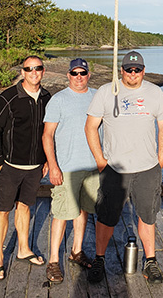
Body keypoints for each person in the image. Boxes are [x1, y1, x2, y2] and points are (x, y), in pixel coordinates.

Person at [84, 50, 163, 284]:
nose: (133, 73)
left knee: (147, 216)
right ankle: (99, 259)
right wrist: (101, 160)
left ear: (143, 70)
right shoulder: (105, 92)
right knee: (106, 217)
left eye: (137, 69)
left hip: (147, 168)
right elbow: (90, 127)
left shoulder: (155, 93)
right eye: (129, 69)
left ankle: (150, 261)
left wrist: (161, 160)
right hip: (115, 169)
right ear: (121, 70)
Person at [0, 55, 50, 280]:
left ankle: (23, 249)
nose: (34, 72)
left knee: (24, 207)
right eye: (29, 69)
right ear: (22, 72)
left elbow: (48, 134)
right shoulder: (8, 98)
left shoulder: (46, 97)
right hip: (10, 167)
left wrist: (47, 161)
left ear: (44, 71)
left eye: (38, 68)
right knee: (2, 210)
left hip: (35, 167)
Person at [42, 58, 100, 283]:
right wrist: (53, 165)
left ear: (88, 75)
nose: (79, 77)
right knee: (61, 214)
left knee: (83, 211)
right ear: (68, 75)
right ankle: (53, 261)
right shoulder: (58, 100)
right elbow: (47, 135)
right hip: (66, 168)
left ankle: (76, 251)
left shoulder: (97, 97)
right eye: (74, 73)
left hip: (92, 167)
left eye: (83, 73)